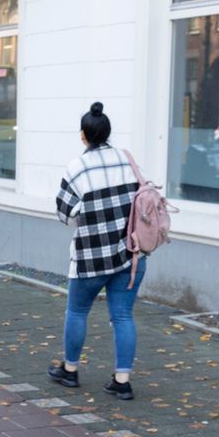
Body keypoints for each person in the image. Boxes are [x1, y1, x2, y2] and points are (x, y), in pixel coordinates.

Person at [49, 102, 145, 401]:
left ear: (83, 136)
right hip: (130, 255)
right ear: (108, 133)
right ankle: (122, 381)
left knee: (77, 311)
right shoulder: (128, 161)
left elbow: (64, 214)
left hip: (91, 258)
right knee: (123, 316)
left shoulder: (77, 167)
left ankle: (71, 371)